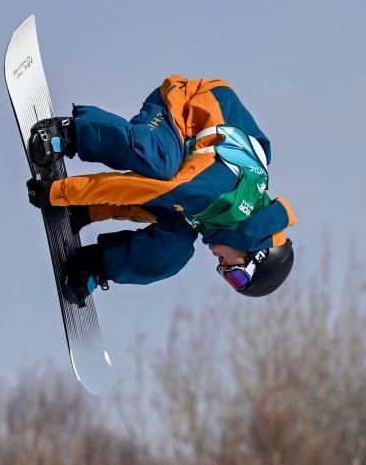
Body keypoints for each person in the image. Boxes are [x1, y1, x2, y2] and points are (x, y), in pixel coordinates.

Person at [25, 75, 296, 306]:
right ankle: (71, 134)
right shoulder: (220, 195)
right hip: (184, 108)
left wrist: (89, 211)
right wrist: (58, 193)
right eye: (237, 275)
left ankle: (97, 263)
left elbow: (164, 205)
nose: (223, 270)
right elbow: (142, 190)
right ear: (253, 249)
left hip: (188, 161)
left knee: (175, 248)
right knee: (159, 161)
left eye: (230, 280)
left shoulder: (225, 220)